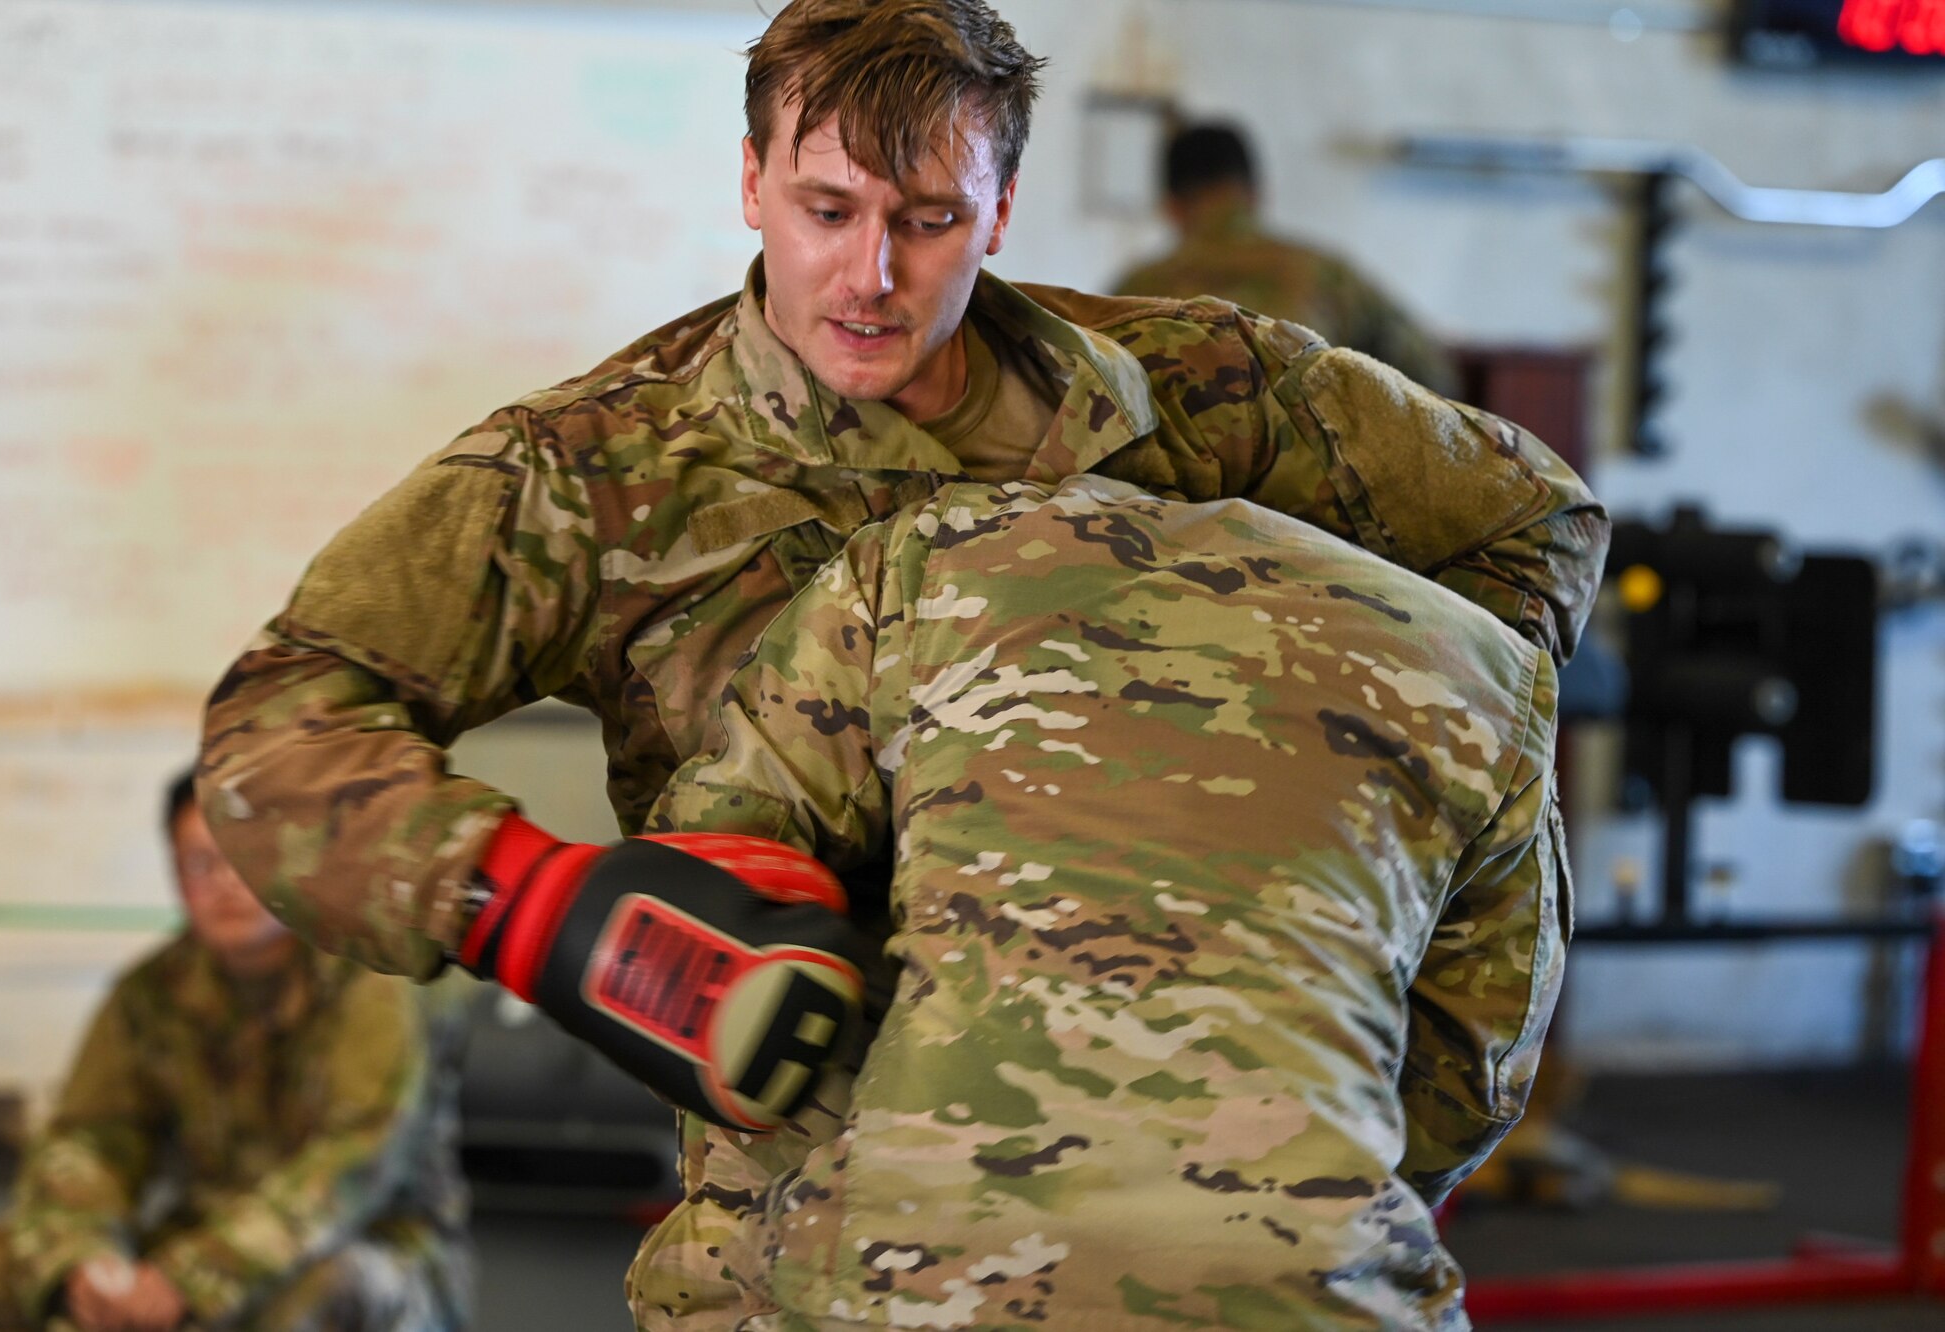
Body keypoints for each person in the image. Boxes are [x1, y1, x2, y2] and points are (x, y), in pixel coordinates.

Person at [195, 0, 1608, 1324]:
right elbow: (279, 725)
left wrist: (1385, 873)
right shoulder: (600, 475)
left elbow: (1525, 534)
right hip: (809, 1233)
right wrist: (528, 901)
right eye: (827, 211)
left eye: (928, 220)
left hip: (1226, 1207)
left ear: (1000, 208)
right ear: (751, 183)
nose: (870, 275)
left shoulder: (1205, 402)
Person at [627, 472, 1571, 1328]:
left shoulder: (930, 554)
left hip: (908, 1271)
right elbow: (1474, 1072)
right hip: (1313, 1286)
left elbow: (715, 894)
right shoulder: (1488, 667)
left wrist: (777, 1235)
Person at [0, 772, 473, 1332]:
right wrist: (89, 1259)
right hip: (201, 1247)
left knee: (331, 1291)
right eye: (201, 864)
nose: (227, 883)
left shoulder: (369, 981)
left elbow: (350, 1170)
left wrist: (193, 1278)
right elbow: (91, 1138)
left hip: (362, 1249)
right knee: (9, 1258)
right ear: (176, 876)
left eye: (246, 858)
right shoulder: (153, 990)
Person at [1114, 121, 1461, 395]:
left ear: (1170, 207)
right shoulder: (1326, 273)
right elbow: (1431, 374)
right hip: (1311, 481)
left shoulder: (1132, 292)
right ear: (1256, 195)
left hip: (1171, 484)